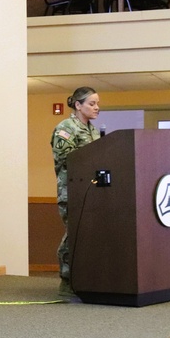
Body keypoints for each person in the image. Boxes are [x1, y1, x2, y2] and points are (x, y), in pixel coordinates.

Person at [50, 87, 101, 298]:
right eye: (92, 104)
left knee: (89, 236)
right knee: (74, 235)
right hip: (71, 191)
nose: (97, 108)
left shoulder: (93, 130)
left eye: (98, 104)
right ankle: (67, 279)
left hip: (92, 190)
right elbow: (68, 160)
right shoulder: (65, 128)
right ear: (78, 105)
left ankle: (86, 278)